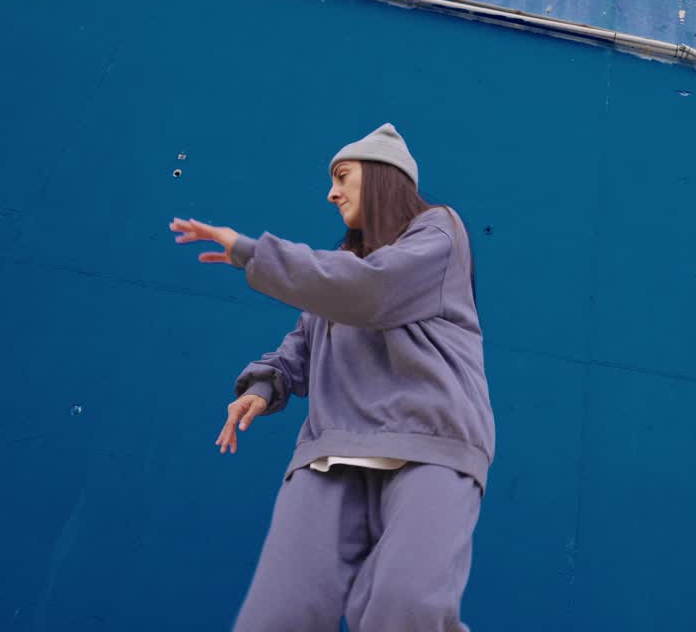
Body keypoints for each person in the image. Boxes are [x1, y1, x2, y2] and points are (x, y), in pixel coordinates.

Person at [169, 123, 495, 631]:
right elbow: (303, 338)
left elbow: (372, 290)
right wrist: (264, 385)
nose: (331, 192)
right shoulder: (341, 267)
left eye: (343, 176)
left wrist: (249, 252)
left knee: (403, 609)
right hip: (333, 448)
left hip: (428, 440)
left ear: (385, 177)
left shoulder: (439, 232)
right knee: (276, 615)